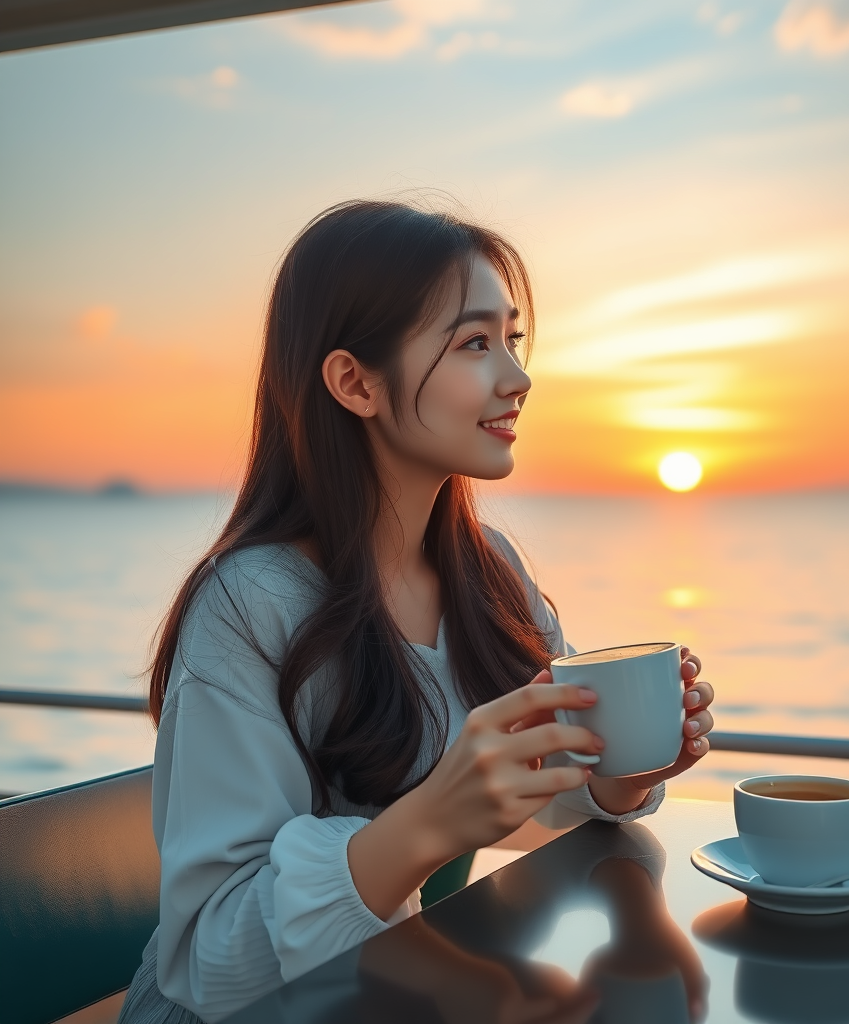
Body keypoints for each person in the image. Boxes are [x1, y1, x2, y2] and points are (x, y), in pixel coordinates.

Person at [117, 200, 715, 1024]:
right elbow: (210, 959)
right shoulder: (248, 606)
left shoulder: (488, 571)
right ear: (354, 382)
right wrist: (427, 823)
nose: (518, 375)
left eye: (513, 339)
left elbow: (542, 791)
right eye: (474, 343)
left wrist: (620, 778)